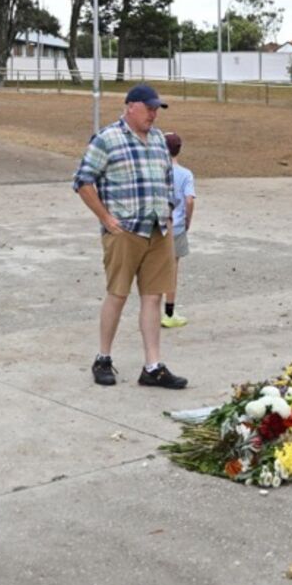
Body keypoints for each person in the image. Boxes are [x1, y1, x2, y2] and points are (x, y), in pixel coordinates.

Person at [73, 83, 187, 390]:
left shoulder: (159, 141)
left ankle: (153, 366)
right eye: (149, 108)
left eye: (156, 110)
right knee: (118, 294)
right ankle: (103, 358)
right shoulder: (107, 139)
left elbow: (166, 180)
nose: (153, 114)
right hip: (124, 232)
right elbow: (83, 181)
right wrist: (106, 218)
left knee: (153, 297)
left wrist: (168, 209)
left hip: (157, 230)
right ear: (130, 107)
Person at [160, 132, 196, 329]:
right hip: (178, 226)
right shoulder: (185, 174)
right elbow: (189, 199)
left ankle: (151, 308)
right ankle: (169, 312)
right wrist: (188, 220)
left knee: (155, 269)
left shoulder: (158, 171)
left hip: (159, 226)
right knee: (172, 270)